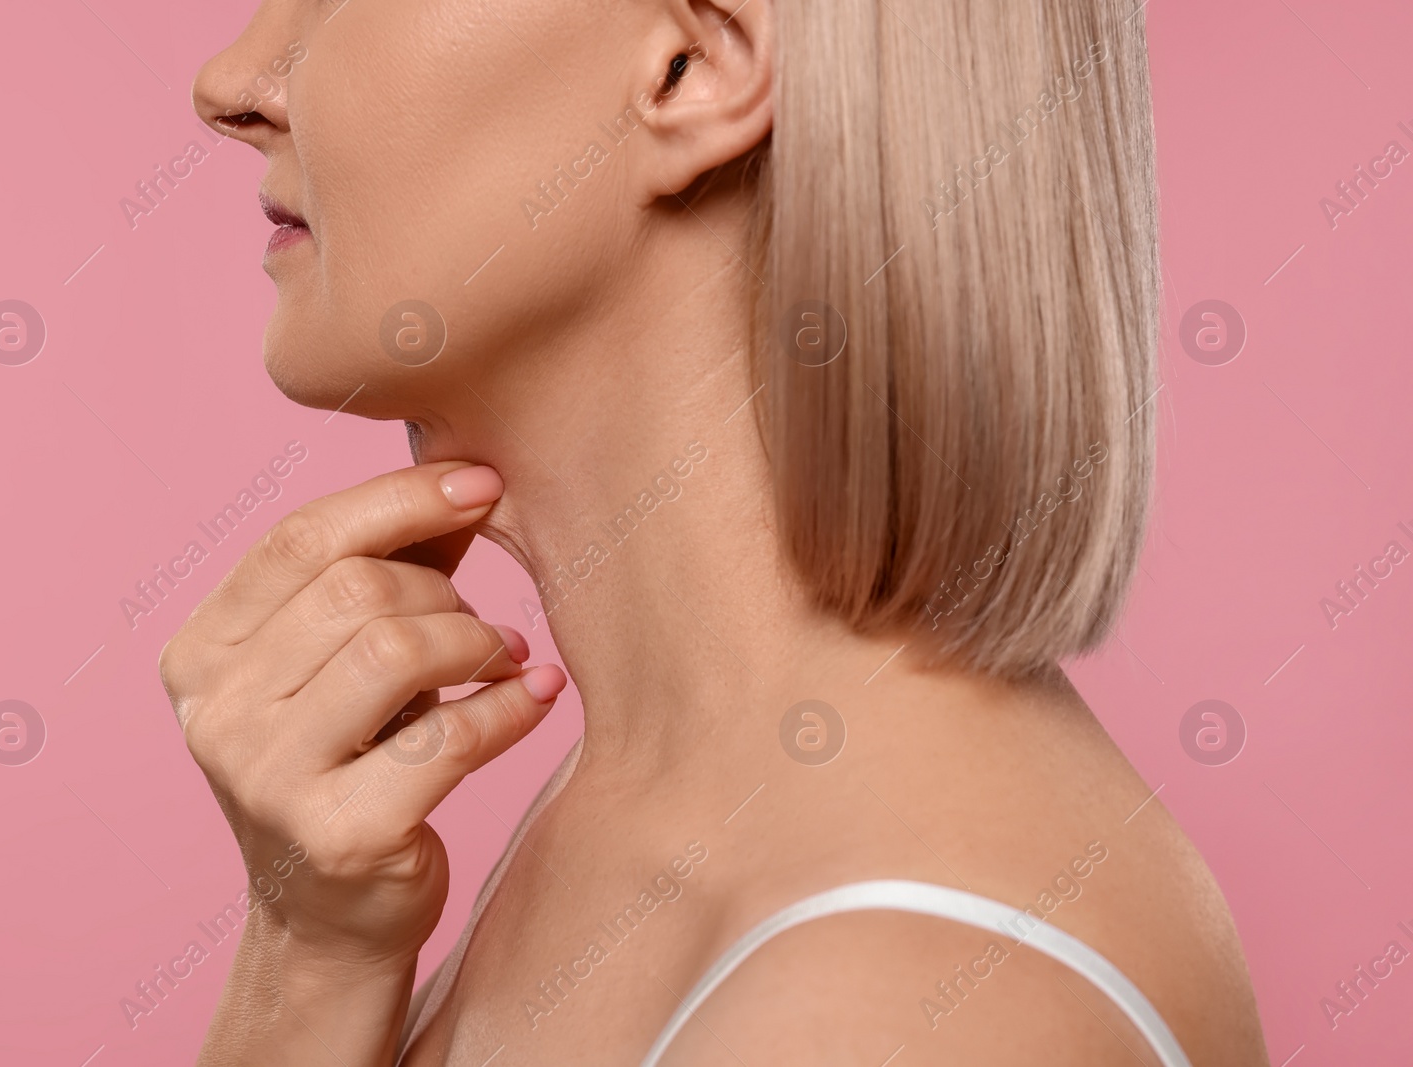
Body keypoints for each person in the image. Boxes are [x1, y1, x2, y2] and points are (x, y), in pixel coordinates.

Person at [169, 0, 1272, 1062]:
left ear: (693, 67)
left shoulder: (897, 1009)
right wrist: (303, 962)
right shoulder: (643, 802)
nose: (230, 87)